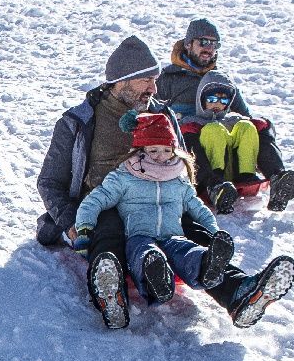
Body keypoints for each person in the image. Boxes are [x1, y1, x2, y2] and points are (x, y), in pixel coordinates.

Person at [35, 36, 294, 329]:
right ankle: (112, 296)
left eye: (155, 80)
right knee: (109, 235)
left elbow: (181, 165)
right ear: (122, 81)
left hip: (159, 196)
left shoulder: (162, 113)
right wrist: (70, 220)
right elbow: (50, 181)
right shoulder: (78, 121)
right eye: (146, 80)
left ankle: (239, 292)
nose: (154, 88)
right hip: (105, 201)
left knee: (192, 235)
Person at [72, 113, 237, 306]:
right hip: (138, 236)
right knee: (145, 254)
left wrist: (214, 233)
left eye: (167, 150)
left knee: (187, 251)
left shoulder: (178, 179)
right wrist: (84, 229)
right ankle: (156, 279)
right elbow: (95, 201)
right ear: (140, 149)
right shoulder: (124, 176)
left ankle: (207, 266)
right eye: (154, 150)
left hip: (173, 236)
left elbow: (198, 208)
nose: (161, 157)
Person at [155, 18, 294, 211]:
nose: (209, 48)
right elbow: (152, 112)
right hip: (190, 143)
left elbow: (244, 115)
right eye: (203, 42)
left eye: (214, 44)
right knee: (189, 130)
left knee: (258, 125)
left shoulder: (221, 81)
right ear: (188, 44)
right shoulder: (168, 80)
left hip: (222, 141)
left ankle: (277, 178)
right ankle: (213, 186)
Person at [186, 70, 264, 214]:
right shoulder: (191, 121)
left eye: (223, 100)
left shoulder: (233, 119)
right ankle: (216, 186)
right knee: (214, 129)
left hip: (234, 172)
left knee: (246, 126)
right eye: (212, 99)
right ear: (201, 99)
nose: (218, 104)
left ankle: (246, 174)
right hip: (207, 176)